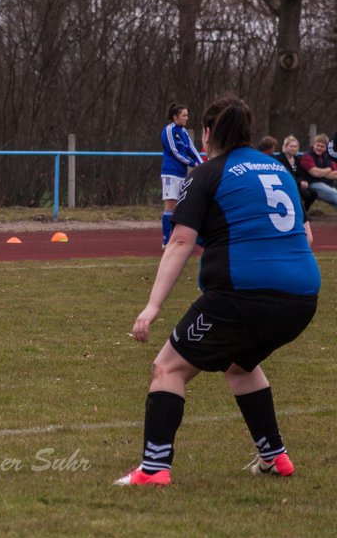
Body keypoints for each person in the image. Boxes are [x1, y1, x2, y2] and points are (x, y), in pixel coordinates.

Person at [118, 94, 319, 487]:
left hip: (241, 295)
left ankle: (154, 469)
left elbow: (179, 242)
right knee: (240, 366)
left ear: (207, 134)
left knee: (167, 368)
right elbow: (306, 236)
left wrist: (152, 306)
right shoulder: (278, 167)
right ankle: (275, 458)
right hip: (302, 298)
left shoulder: (207, 173)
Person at [160, 103, 201, 246]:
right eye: (184, 115)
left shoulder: (183, 132)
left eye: (187, 115)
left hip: (182, 174)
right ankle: (166, 241)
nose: (187, 118)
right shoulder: (169, 130)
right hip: (170, 173)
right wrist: (192, 163)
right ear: (175, 116)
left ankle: (176, 239)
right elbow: (174, 151)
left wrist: (202, 163)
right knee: (170, 206)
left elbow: (192, 149)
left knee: (180, 207)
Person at [276, 135, 317, 213]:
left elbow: (301, 174)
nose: (293, 148)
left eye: (295, 147)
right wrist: (299, 182)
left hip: (298, 184)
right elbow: (284, 175)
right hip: (286, 184)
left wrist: (303, 181)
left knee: (313, 193)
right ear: (285, 146)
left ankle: (304, 212)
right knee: (301, 194)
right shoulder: (279, 158)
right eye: (291, 146)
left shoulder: (297, 159)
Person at [299, 134, 337, 210]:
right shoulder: (307, 156)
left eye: (322, 146)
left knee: (333, 194)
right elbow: (315, 173)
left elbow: (336, 174)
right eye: (317, 145)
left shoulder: (327, 157)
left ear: (326, 148)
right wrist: (328, 170)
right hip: (311, 184)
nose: (319, 148)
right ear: (313, 145)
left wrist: (321, 173)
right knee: (333, 193)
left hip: (327, 184)